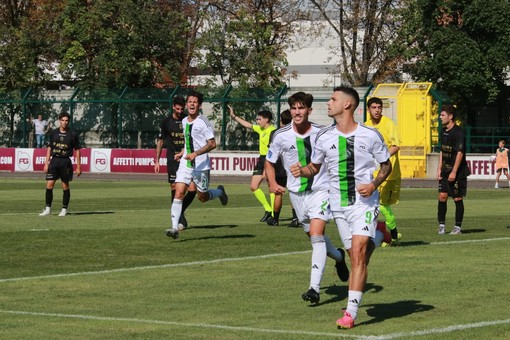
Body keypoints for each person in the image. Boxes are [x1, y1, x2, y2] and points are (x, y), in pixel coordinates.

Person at [290, 86, 392, 328]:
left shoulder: (370, 135)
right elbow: (315, 167)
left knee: (357, 255)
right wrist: (302, 170)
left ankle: (350, 313)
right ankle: (379, 234)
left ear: (347, 105)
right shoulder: (323, 137)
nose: (329, 103)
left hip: (363, 202)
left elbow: (386, 165)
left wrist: (375, 183)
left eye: (333, 99)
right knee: (357, 256)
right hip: (338, 205)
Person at [265, 91, 349, 304]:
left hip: (321, 190)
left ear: (309, 110)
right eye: (293, 108)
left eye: (301, 108)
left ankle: (314, 288)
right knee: (312, 235)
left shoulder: (323, 132)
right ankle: (338, 257)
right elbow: (270, 161)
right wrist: (273, 183)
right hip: (296, 194)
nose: (297, 112)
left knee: (317, 233)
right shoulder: (280, 135)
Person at [165, 91, 229, 239]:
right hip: (186, 163)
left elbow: (212, 144)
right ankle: (174, 228)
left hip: (201, 166)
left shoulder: (203, 122)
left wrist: (196, 154)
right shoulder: (184, 121)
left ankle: (219, 192)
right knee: (179, 192)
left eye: (195, 102)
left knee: (202, 197)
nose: (192, 104)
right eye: (190, 101)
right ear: (186, 104)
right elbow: (190, 142)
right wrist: (183, 152)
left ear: (199, 105)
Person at [154, 95, 196, 230]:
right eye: (177, 109)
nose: (179, 111)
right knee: (174, 188)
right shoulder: (166, 122)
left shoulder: (187, 120)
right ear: (173, 107)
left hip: (187, 158)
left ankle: (179, 211)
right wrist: (157, 160)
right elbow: (160, 141)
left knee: (193, 189)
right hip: (173, 159)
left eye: (181, 109)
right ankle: (180, 220)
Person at [364, 97, 402, 244]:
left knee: (382, 205)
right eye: (374, 107)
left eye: (379, 107)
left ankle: (392, 236)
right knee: (371, 204)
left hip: (389, 173)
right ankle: (378, 234)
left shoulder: (389, 124)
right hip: (371, 173)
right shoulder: (366, 126)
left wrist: (381, 157)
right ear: (368, 109)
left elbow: (396, 145)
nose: (377, 110)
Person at [229, 105, 276, 222]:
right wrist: (234, 116)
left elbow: (275, 150)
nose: (257, 121)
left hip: (270, 160)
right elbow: (247, 125)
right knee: (253, 186)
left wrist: (268, 166)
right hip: (261, 159)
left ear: (267, 120)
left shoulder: (273, 131)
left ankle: (274, 214)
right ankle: (268, 209)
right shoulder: (260, 129)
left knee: (271, 187)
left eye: (259, 119)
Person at [39, 112, 82, 217]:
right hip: (54, 161)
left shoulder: (72, 134)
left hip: (65, 162)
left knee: (65, 186)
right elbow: (49, 148)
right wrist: (46, 163)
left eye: (66, 120)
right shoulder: (54, 133)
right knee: (49, 185)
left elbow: (77, 150)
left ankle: (64, 209)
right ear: (59, 120)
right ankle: (48, 209)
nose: (64, 122)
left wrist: (78, 166)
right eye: (63, 120)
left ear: (68, 121)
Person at [437, 105, 470, 235]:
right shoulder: (443, 131)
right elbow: (442, 150)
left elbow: (460, 153)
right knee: (442, 196)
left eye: (442, 115)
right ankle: (441, 226)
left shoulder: (458, 133)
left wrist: (454, 172)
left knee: (457, 198)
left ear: (450, 117)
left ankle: (457, 227)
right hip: (445, 171)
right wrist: (439, 168)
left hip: (458, 172)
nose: (440, 117)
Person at [265, 109, 292, 226]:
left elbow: (270, 151)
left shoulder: (276, 133)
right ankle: (296, 218)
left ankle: (275, 219)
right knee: (294, 192)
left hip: (278, 167)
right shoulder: (295, 132)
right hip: (292, 167)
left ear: (281, 120)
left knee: (278, 194)